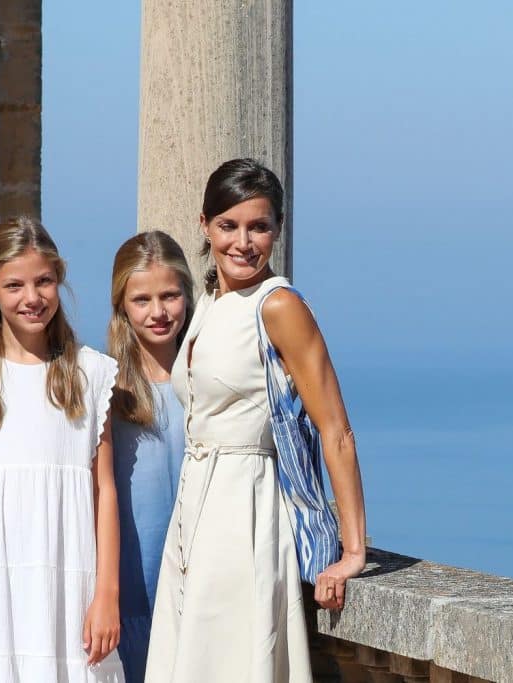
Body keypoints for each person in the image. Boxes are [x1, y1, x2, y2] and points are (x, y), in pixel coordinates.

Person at [145, 159, 367, 682]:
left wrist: (353, 550)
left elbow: (336, 430)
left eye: (259, 226)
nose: (243, 242)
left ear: (277, 230)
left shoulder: (279, 306)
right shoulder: (209, 303)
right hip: (194, 508)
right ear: (205, 225)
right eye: (229, 226)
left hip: (245, 508)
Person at [0, 217, 125, 682]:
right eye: (14, 285)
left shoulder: (90, 373)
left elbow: (105, 491)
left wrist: (107, 595)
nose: (32, 297)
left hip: (69, 584)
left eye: (44, 281)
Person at [105, 231, 192, 681]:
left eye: (170, 296)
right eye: (142, 300)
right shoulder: (105, 388)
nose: (158, 312)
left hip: (201, 579)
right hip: (133, 585)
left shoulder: (206, 380)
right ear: (122, 304)